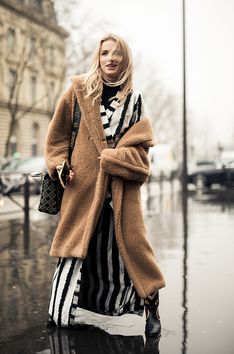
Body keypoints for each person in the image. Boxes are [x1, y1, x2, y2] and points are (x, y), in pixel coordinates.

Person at [45, 33, 165, 338]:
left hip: (121, 193)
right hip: (82, 191)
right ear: (97, 58)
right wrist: (59, 165)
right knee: (74, 248)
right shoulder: (78, 92)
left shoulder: (135, 101)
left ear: (125, 60)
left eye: (117, 54)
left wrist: (114, 158)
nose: (111, 58)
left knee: (133, 250)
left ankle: (151, 306)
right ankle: (61, 311)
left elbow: (140, 153)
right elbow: (56, 139)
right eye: (105, 53)